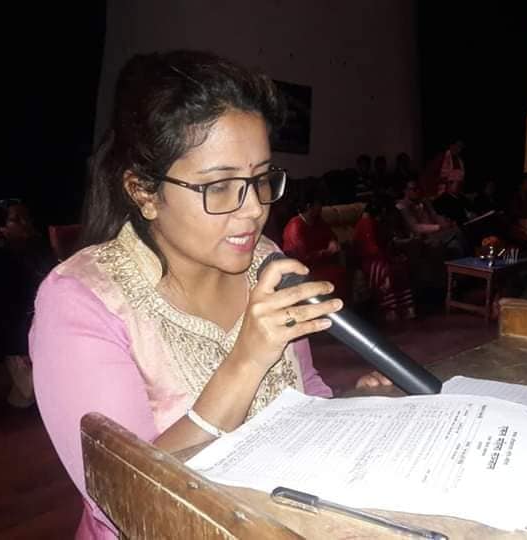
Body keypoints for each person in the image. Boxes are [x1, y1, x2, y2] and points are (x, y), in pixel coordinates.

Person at [29, 50, 390, 540]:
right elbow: (126, 499)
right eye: (219, 186)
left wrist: (353, 409)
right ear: (143, 192)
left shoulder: (266, 261)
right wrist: (245, 362)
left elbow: (305, 392)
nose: (253, 210)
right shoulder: (81, 302)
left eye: (260, 180)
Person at [0, 198, 55, 407]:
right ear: (2, 227)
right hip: (15, 330)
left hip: (44, 320)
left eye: (26, 218)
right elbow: (4, 305)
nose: (25, 223)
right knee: (30, 393)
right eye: (16, 219)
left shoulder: (39, 248)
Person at [282, 185, 350, 301]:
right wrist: (327, 252)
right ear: (309, 206)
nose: (321, 207)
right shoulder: (295, 226)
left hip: (323, 264)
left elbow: (331, 235)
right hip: (305, 270)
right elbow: (302, 257)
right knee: (337, 274)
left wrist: (332, 241)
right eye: (319, 204)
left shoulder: (318, 221)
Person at [353, 199, 416, 321]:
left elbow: (387, 242)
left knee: (400, 267)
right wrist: (389, 257)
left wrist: (395, 254)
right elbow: (371, 250)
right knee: (385, 271)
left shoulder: (379, 223)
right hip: (368, 260)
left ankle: (406, 308)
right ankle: (390, 309)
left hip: (381, 256)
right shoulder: (365, 223)